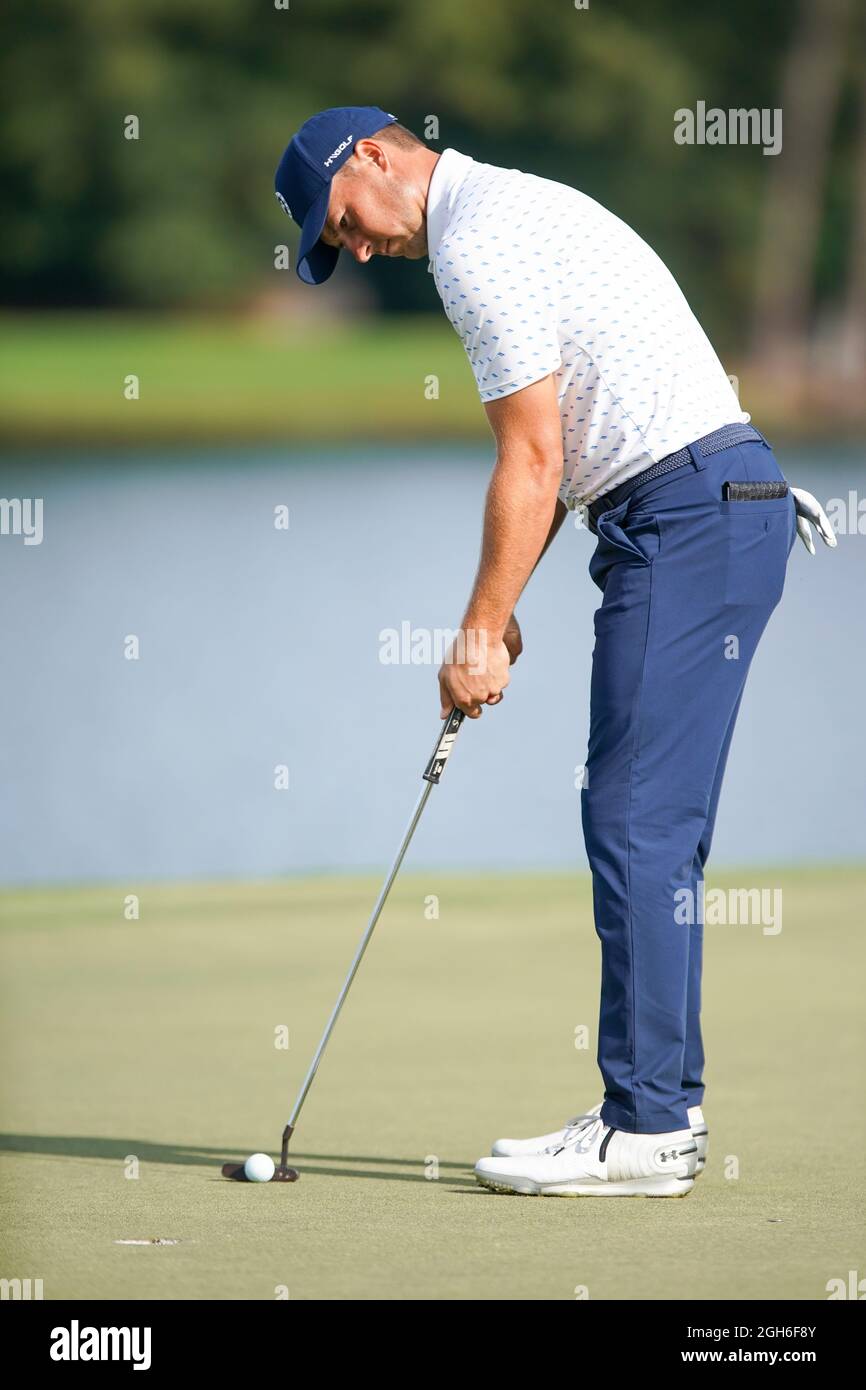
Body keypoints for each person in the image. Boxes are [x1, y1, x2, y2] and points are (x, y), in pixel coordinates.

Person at [274, 106, 836, 1198]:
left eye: (339, 220)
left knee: (633, 817)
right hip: (700, 510)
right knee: (648, 821)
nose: (351, 246)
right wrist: (504, 593)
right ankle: (652, 1113)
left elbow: (532, 458)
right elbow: (560, 452)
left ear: (374, 157)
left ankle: (646, 1129)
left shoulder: (478, 239)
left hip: (687, 517)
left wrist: (481, 627)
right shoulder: (509, 206)